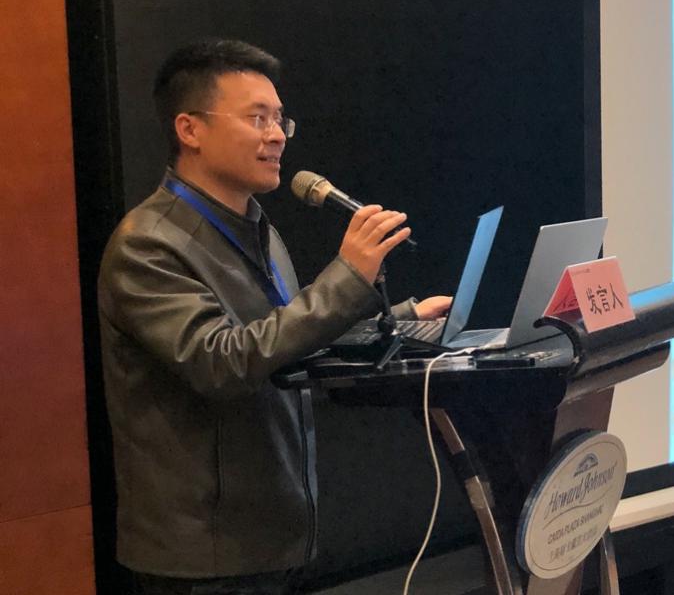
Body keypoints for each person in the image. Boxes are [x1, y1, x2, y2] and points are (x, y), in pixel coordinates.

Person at [97, 38, 451, 595]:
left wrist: (403, 319)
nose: (278, 135)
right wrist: (347, 277)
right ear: (190, 129)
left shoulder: (255, 226)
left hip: (271, 536)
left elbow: (285, 340)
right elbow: (224, 363)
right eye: (257, 118)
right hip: (205, 556)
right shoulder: (148, 245)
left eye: (280, 118)